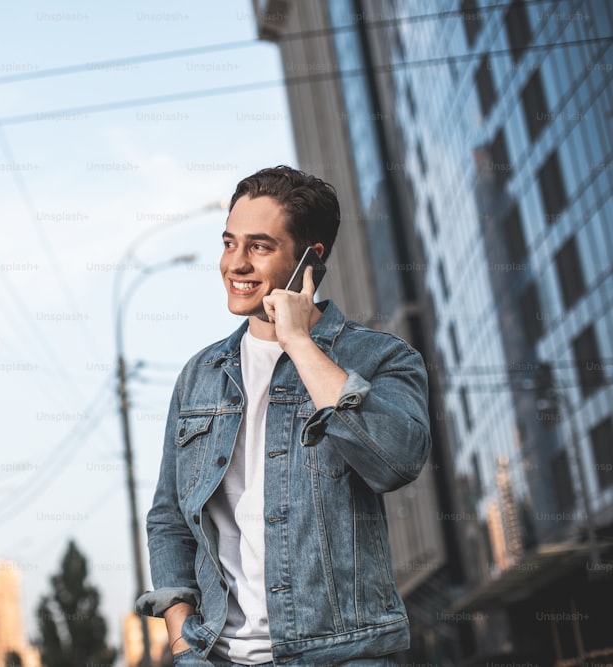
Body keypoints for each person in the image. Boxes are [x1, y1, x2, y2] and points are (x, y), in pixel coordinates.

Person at [136, 166, 431, 666]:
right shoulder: (199, 376)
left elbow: (395, 461)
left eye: (259, 247)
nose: (236, 264)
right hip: (218, 656)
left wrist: (298, 341)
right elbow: (169, 519)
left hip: (342, 655)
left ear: (309, 260)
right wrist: (183, 641)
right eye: (229, 244)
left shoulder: (382, 358)